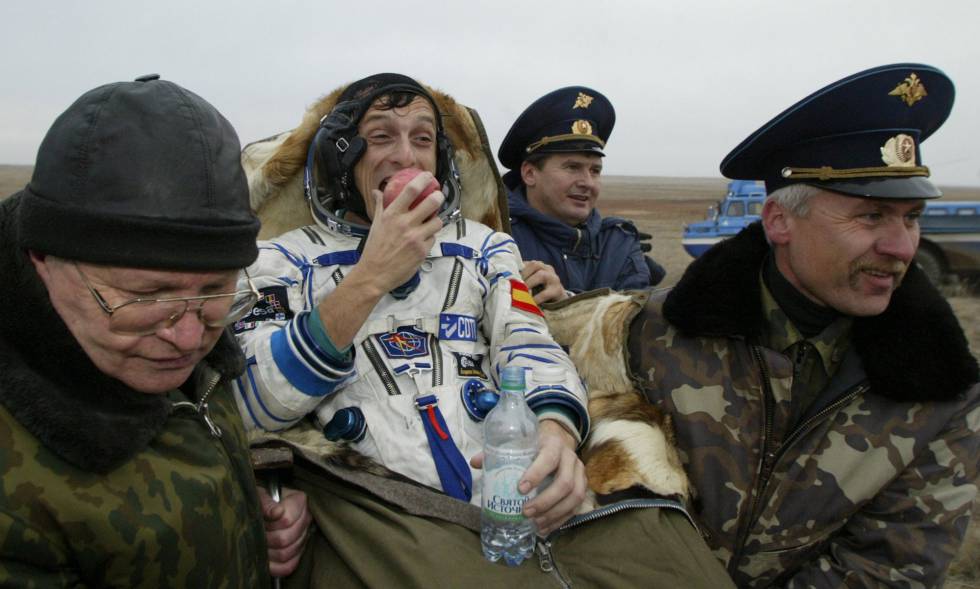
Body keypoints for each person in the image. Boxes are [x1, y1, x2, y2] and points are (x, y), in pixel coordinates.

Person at [233, 73, 734, 587]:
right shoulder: (279, 262)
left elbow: (530, 342)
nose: (406, 157)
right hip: (385, 512)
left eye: (423, 138)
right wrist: (371, 276)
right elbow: (253, 402)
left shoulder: (482, 247)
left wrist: (555, 431)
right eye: (381, 136)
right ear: (341, 158)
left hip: (514, 492)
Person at [627, 63, 980, 587]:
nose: (903, 247)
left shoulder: (941, 389)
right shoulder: (653, 335)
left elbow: (886, 569)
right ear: (779, 221)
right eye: (871, 216)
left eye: (911, 217)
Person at [0, 75, 308, 586]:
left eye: (217, 290)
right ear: (42, 257)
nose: (189, 341)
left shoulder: (169, 333)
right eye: (145, 298)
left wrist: (234, 514)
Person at [498, 86, 665, 303]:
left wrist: (566, 301)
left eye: (595, 171)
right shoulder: (498, 238)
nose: (587, 182)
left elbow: (633, 318)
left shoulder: (618, 243)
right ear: (530, 174)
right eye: (572, 167)